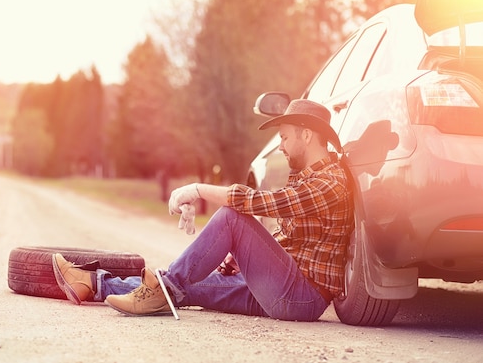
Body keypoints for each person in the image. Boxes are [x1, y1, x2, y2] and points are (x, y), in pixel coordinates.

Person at [52, 99, 354, 322]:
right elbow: (290, 242)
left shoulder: (330, 182)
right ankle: (92, 284)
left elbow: (264, 203)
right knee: (189, 286)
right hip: (282, 288)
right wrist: (243, 258)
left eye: (285, 138)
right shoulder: (308, 177)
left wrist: (197, 190)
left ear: (307, 135)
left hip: (301, 298)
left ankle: (164, 287)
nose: (282, 147)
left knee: (232, 216)